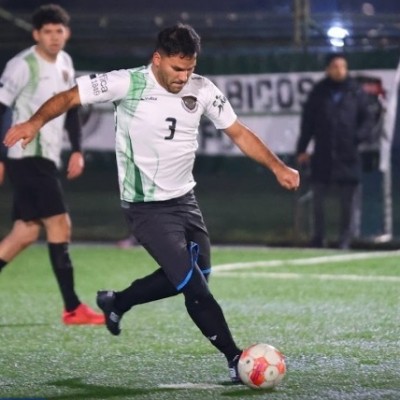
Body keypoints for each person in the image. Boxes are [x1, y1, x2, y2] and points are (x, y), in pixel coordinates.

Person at [3, 23, 299, 382]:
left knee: (197, 275)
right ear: (157, 59)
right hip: (147, 209)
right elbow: (68, 97)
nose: (183, 77)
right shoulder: (126, 83)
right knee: (194, 287)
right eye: (177, 68)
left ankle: (118, 302)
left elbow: (238, 132)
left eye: (190, 68)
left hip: (186, 201)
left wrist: (277, 166)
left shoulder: (202, 88)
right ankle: (236, 359)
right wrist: (34, 123)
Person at [0, 4, 104, 325]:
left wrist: (77, 150)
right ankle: (72, 308)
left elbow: (70, 108)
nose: (54, 37)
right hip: (25, 155)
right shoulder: (22, 65)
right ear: (36, 34)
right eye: (47, 32)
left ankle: (72, 308)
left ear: (66, 33)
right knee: (59, 223)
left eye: (59, 31)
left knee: (24, 234)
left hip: (45, 157)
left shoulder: (66, 63)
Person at [296, 53, 375, 249]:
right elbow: (308, 123)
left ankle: (345, 239)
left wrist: (357, 137)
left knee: (348, 202)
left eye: (343, 66)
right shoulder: (319, 92)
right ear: (328, 69)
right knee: (318, 200)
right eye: (335, 66)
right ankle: (318, 238)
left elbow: (368, 119)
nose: (339, 70)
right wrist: (302, 148)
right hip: (322, 154)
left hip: (348, 155)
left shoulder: (356, 91)